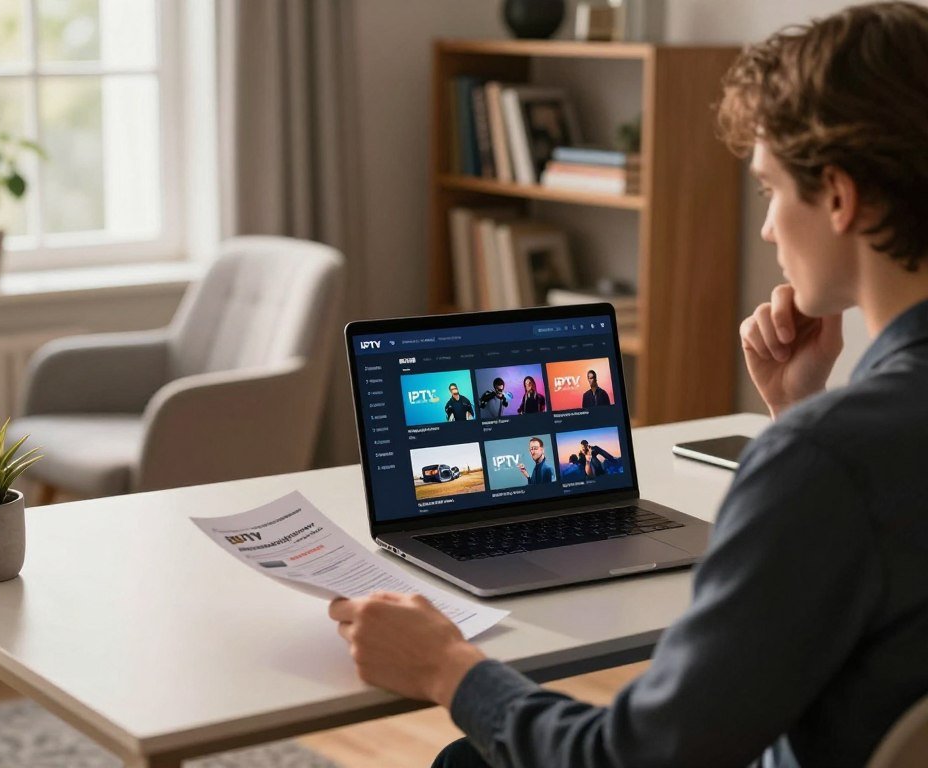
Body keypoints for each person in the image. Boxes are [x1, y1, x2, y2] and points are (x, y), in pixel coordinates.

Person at [328, 4, 928, 766]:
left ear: (839, 197)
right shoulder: (839, 446)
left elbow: (636, 757)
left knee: (467, 758)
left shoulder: (828, 460)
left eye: (771, 189)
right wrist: (799, 413)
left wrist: (446, 667)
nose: (770, 228)